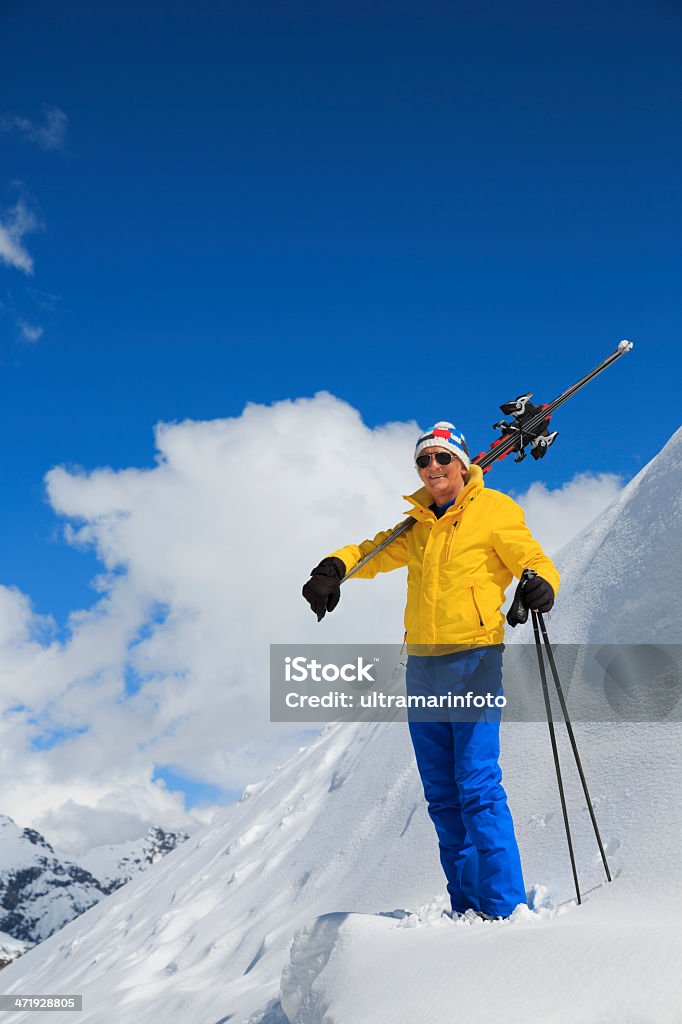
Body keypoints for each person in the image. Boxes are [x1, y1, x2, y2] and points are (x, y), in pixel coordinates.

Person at [302, 421, 559, 920]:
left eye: (442, 458)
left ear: (463, 464)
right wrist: (334, 567)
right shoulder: (416, 526)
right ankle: (467, 907)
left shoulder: (494, 511)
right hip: (422, 668)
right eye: (424, 461)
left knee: (478, 786)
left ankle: (505, 908)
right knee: (442, 795)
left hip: (475, 662)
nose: (433, 468)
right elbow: (370, 551)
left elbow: (531, 557)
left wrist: (540, 582)